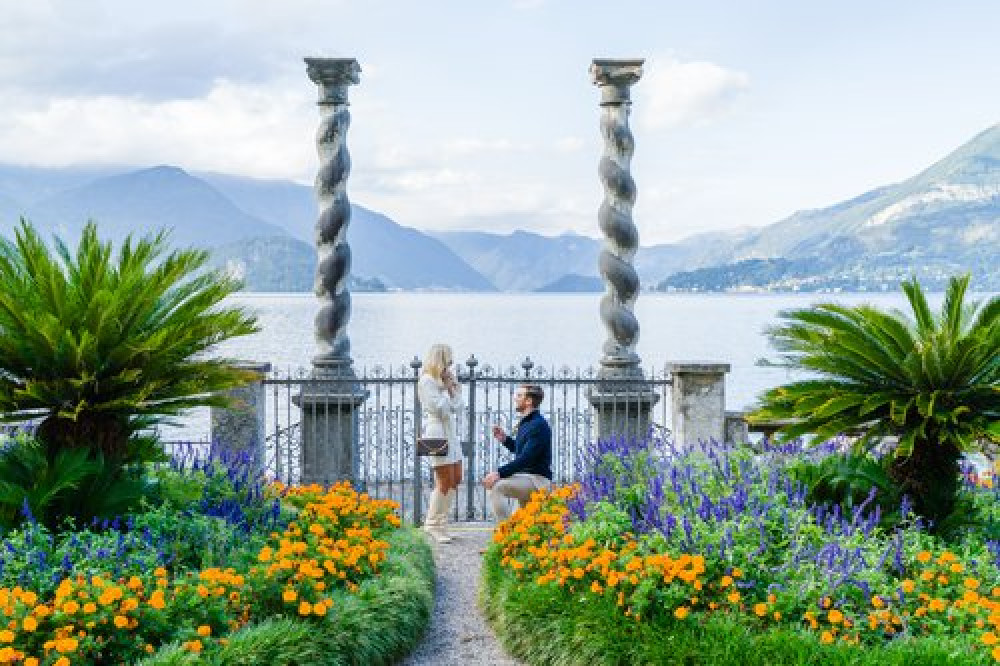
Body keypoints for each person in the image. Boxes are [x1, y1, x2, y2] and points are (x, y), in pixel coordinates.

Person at [482, 383, 552, 522]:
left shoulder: (538, 425)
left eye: (519, 395)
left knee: (497, 486)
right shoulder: (527, 422)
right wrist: (505, 439)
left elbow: (526, 458)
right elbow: (521, 451)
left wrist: (499, 473)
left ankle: (506, 531)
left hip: (537, 481)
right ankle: (511, 533)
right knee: (527, 526)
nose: (515, 398)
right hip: (526, 477)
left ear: (529, 401)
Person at [417, 343, 464, 543]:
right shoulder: (427, 381)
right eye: (448, 362)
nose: (450, 368)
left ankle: (442, 523)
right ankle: (433, 525)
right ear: (440, 361)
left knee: (456, 478)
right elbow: (438, 410)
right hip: (436, 432)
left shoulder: (441, 383)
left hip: (450, 433)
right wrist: (446, 389)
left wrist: (453, 390)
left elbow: (457, 407)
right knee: (444, 481)